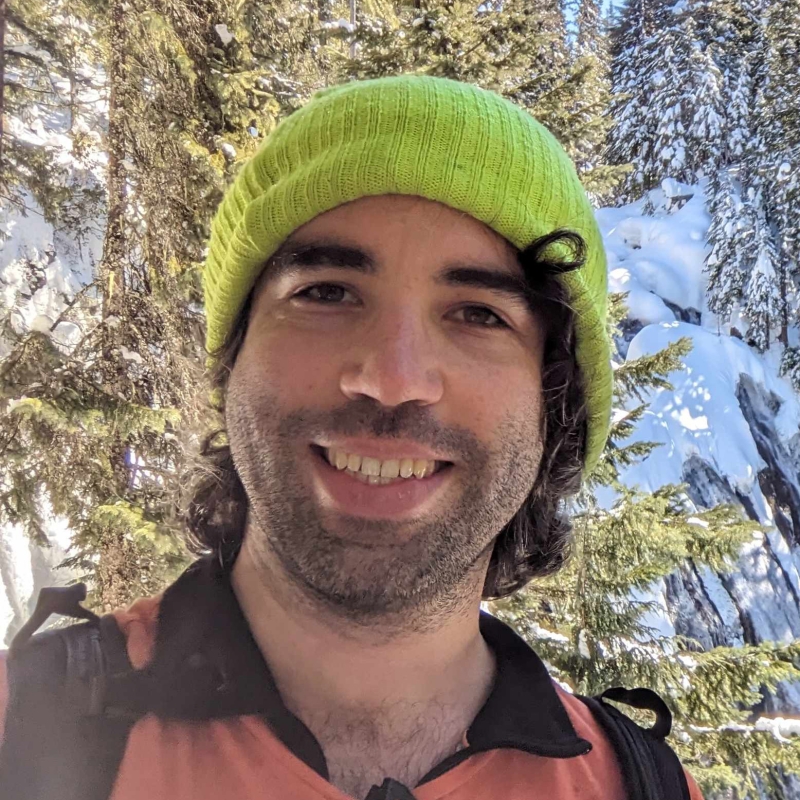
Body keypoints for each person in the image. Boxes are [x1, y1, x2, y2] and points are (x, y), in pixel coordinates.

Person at [0, 75, 705, 800]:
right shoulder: (21, 734)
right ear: (233, 358)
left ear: (553, 406)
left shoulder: (638, 786)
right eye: (326, 293)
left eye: (478, 314)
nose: (393, 379)